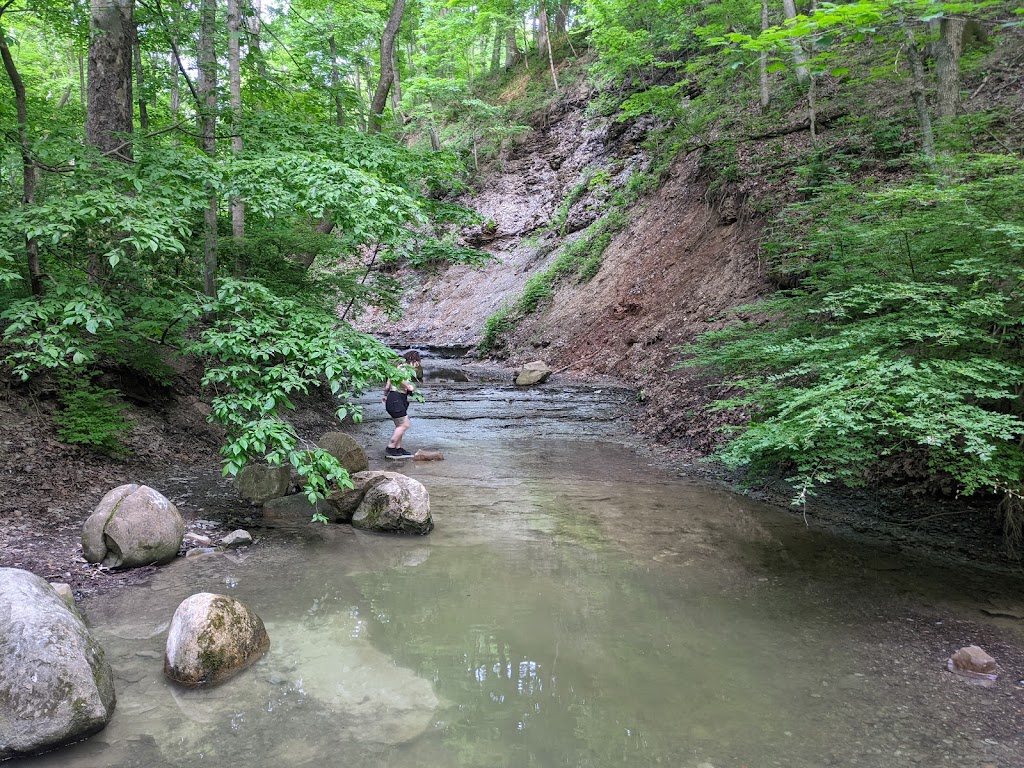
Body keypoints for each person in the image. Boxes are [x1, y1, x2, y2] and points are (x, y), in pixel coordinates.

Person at [382, 350, 421, 459]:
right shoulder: (403, 368)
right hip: (397, 398)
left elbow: (387, 385)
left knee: (399, 425)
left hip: (393, 398)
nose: (418, 365)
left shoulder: (396, 368)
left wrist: (385, 396)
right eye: (417, 362)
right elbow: (401, 380)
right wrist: (409, 387)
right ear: (413, 360)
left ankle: (398, 448)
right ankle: (390, 447)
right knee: (405, 425)